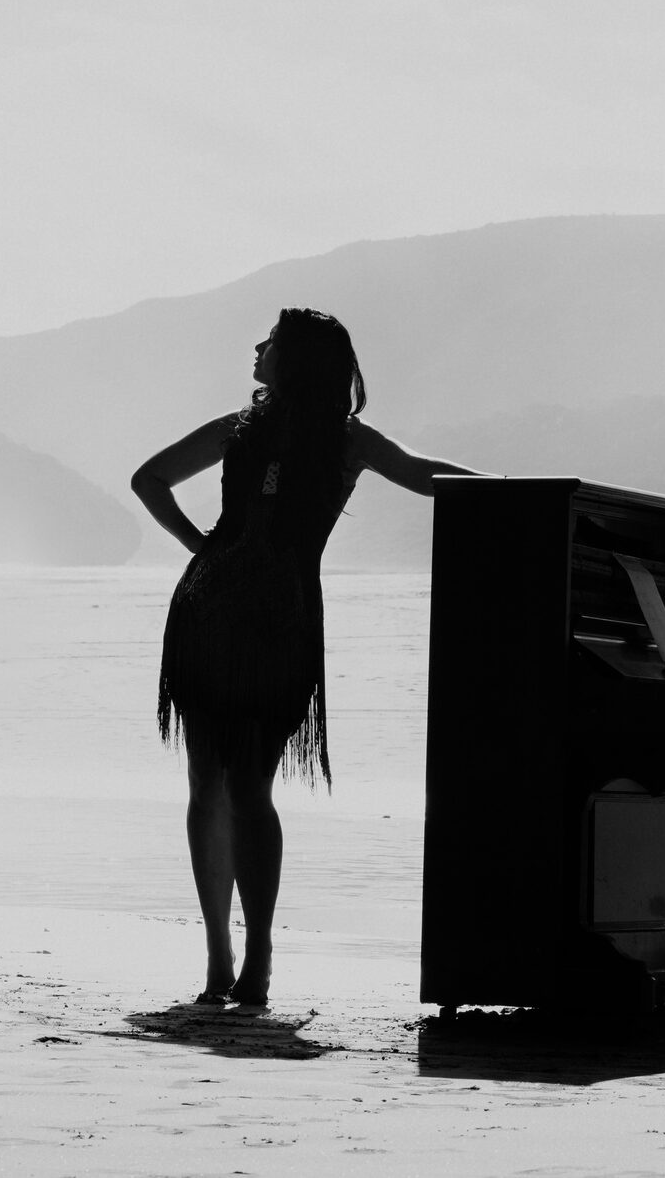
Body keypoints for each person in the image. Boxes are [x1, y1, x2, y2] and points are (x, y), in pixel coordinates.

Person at [131, 307, 482, 1013]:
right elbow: (425, 477)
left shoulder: (297, 434)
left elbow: (149, 481)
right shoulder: (309, 436)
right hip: (257, 615)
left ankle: (240, 957)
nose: (258, 347)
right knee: (236, 787)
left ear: (295, 360)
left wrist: (205, 549)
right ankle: (234, 956)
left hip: (231, 613)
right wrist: (203, 549)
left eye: (272, 341)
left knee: (219, 786)